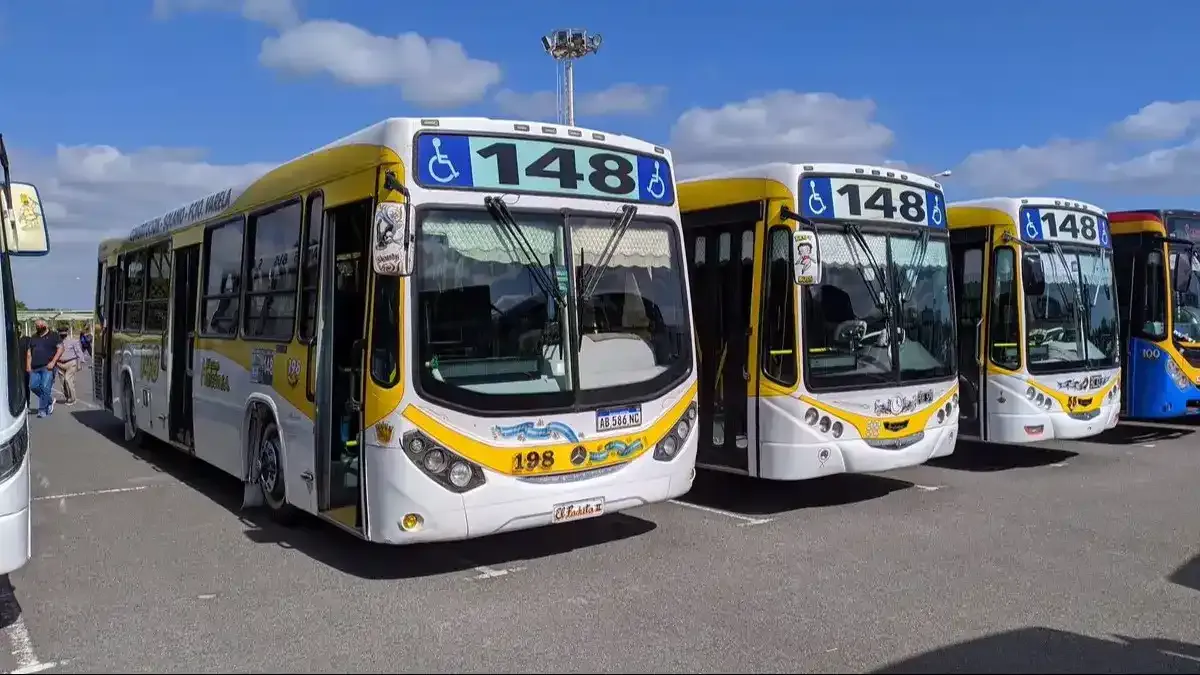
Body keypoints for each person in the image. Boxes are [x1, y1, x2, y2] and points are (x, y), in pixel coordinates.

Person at [26, 319, 62, 418]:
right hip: (35, 367)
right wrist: (28, 365)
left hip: (48, 367)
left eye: (40, 325)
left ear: (46, 325)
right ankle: (49, 400)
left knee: (45, 387)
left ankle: (42, 410)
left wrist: (53, 362)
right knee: (33, 386)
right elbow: (29, 352)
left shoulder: (54, 335)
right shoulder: (33, 337)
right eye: (36, 325)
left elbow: (60, 349)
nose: (38, 326)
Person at [55, 326, 86, 406]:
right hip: (59, 364)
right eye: (61, 333)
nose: (62, 334)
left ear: (67, 333)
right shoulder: (56, 342)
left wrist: (80, 363)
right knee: (63, 383)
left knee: (68, 380)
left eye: (64, 333)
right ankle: (67, 397)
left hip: (71, 363)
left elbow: (79, 352)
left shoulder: (73, 341)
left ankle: (73, 398)